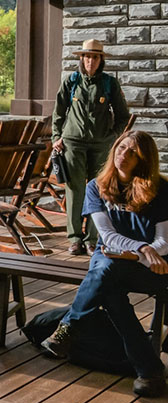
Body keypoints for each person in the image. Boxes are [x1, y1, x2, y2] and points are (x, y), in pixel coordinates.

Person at [41, 130, 167, 397]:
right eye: (121, 148)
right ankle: (148, 370)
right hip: (112, 257)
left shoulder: (161, 189)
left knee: (107, 277)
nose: (124, 155)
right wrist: (140, 247)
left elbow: (164, 243)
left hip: (150, 266)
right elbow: (107, 236)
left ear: (144, 160)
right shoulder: (96, 187)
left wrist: (138, 254)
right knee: (109, 279)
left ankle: (67, 330)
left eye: (133, 152)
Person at [52, 38, 130, 255]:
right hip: (73, 144)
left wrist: (113, 138)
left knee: (99, 190)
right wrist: (56, 137)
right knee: (75, 190)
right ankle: (75, 238)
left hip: (101, 146)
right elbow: (58, 113)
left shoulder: (109, 83)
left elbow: (123, 116)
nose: (90, 61)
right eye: (87, 56)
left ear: (100, 60)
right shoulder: (71, 81)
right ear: (81, 58)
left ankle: (92, 238)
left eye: (95, 57)